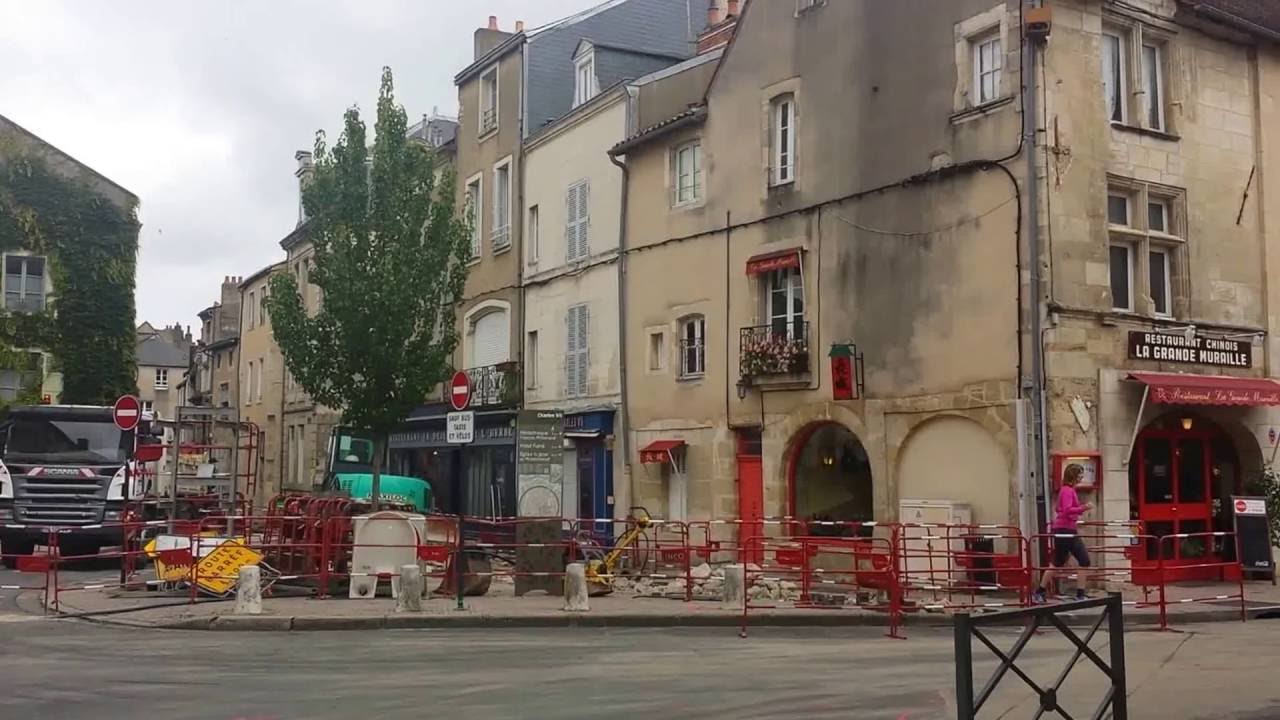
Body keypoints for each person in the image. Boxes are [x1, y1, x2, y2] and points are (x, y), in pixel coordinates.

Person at [1033, 463, 1093, 603]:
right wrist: (1084, 508)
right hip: (1065, 530)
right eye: (1080, 474)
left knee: (1058, 561)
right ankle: (1079, 594)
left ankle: (1040, 591)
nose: (1082, 477)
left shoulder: (1067, 490)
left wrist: (1076, 511)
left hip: (1065, 529)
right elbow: (1066, 510)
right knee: (1082, 560)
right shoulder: (1067, 490)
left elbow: (1060, 509)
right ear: (1073, 475)